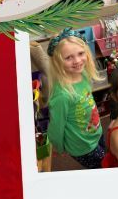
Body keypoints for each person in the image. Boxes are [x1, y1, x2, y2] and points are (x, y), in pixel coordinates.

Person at [45, 29, 105, 169]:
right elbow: (56, 127)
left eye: (80, 53)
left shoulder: (82, 74)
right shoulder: (62, 95)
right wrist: (58, 148)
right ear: (58, 62)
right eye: (68, 57)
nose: (77, 61)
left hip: (96, 132)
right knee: (103, 169)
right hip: (83, 147)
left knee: (107, 158)